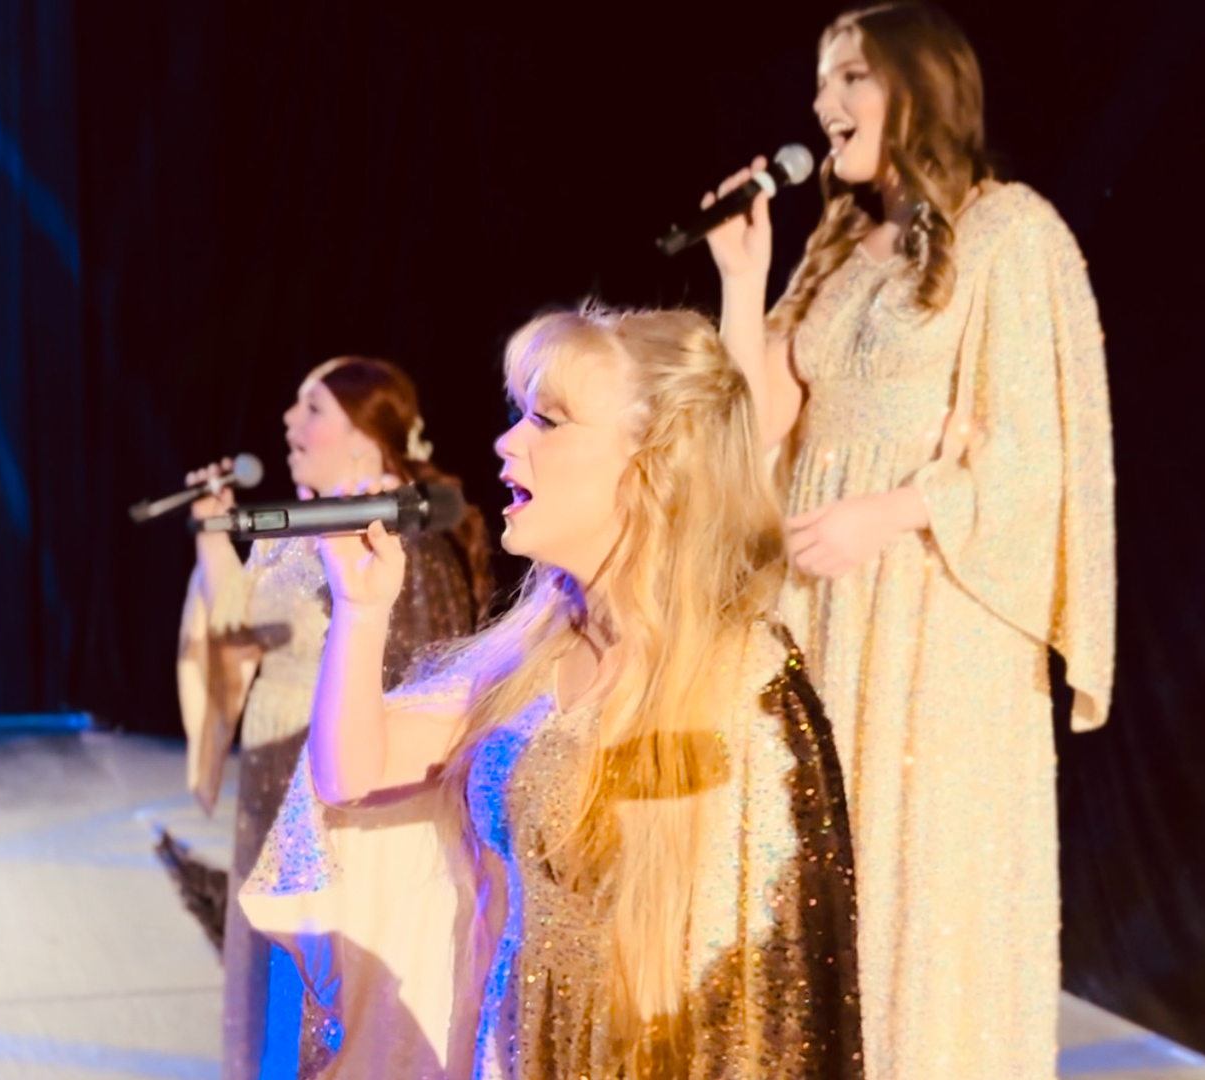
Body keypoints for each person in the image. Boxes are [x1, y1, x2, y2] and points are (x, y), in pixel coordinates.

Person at [243, 305, 862, 1079]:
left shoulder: (743, 688)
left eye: (548, 419)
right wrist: (362, 613)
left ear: (654, 465)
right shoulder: (534, 659)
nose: (507, 441)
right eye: (519, 414)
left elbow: (769, 1000)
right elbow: (349, 775)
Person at [701, 4, 1116, 1075]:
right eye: (820, 81)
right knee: (818, 875)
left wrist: (885, 512)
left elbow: (1037, 454)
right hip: (828, 610)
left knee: (919, 882)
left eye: (848, 78)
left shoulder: (1010, 232)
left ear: (919, 89)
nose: (821, 105)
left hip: (938, 619)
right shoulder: (841, 247)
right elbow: (761, 417)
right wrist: (744, 281)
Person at [173, 356, 493, 1079]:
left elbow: (408, 676)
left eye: (312, 408)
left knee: (317, 986)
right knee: (267, 969)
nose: (289, 421)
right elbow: (235, 621)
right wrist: (209, 527)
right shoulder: (304, 523)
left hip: (321, 775)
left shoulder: (386, 536)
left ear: (364, 436)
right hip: (269, 762)